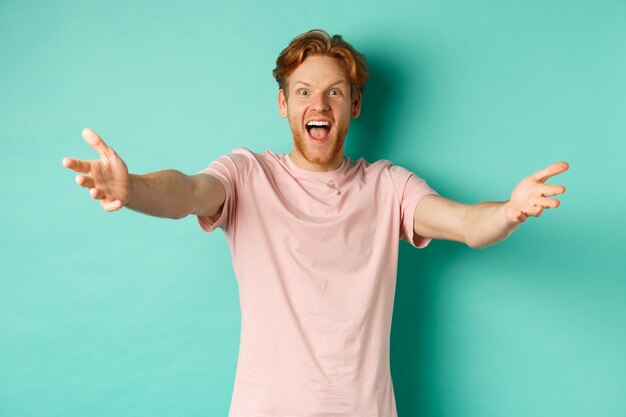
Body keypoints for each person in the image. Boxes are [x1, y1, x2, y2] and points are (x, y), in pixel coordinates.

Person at [63, 29, 568, 417]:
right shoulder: (248, 174)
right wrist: (134, 190)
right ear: (284, 104)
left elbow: (463, 223)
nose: (318, 105)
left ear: (354, 105)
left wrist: (508, 211)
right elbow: (189, 192)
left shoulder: (387, 185)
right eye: (303, 92)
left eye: (334, 92)